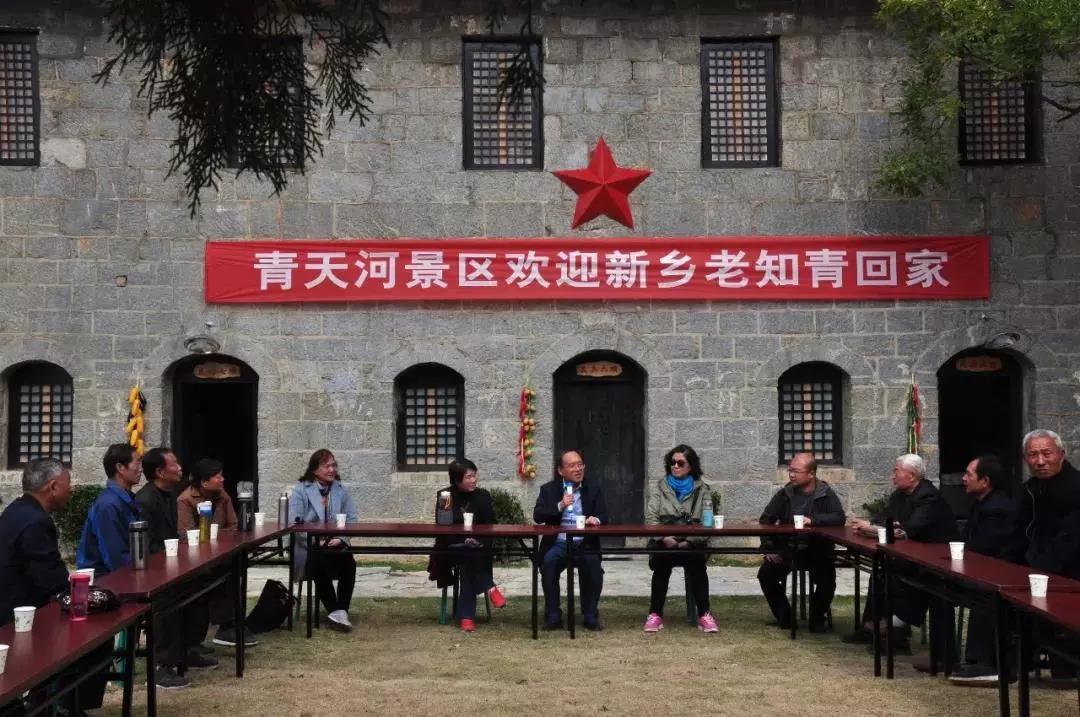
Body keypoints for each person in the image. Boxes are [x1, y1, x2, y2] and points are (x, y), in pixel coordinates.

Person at [0, 458, 109, 713]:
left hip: (15, 608)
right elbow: (51, 580)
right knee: (95, 635)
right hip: (19, 617)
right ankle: (67, 706)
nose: (71, 489)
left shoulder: (15, 511)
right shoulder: (36, 521)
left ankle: (46, 702)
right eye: (68, 483)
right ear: (52, 487)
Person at [849, 453, 957, 651]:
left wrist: (874, 529)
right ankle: (872, 628)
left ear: (912, 475)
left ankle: (895, 632)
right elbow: (884, 519)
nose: (893, 476)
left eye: (896, 471)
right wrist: (873, 525)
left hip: (934, 560)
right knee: (879, 573)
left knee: (898, 578)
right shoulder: (899, 495)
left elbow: (910, 529)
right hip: (909, 555)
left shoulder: (928, 496)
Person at [135, 447, 218, 687]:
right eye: (174, 464)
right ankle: (162, 664)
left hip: (170, 564)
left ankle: (189, 648)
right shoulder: (145, 500)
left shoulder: (169, 494)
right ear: (160, 472)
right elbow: (147, 544)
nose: (180, 468)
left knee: (202, 583)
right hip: (152, 569)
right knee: (167, 600)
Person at [1010, 429, 1080, 679]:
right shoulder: (1030, 489)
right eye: (1033, 455)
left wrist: (1038, 567)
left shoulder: (1075, 487)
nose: (1040, 461)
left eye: (1046, 453)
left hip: (1068, 570)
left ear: (1062, 454)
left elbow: (1070, 538)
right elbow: (1018, 530)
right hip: (1037, 567)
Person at [757, 452, 846, 632]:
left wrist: (813, 520)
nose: (791, 475)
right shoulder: (785, 493)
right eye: (790, 470)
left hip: (817, 549)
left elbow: (839, 517)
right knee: (766, 574)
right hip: (787, 549)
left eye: (796, 471)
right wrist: (769, 548)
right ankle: (785, 617)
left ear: (811, 474)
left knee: (827, 578)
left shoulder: (825, 493)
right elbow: (766, 520)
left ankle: (817, 617)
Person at [950, 455, 1016, 684]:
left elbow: (984, 548)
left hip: (999, 572)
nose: (963, 478)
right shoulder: (981, 503)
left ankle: (984, 663)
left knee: (984, 594)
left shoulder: (997, 508)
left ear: (985, 481)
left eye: (969, 474)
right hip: (980, 569)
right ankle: (947, 657)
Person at [176, 458, 254, 649]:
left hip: (221, 552)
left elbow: (233, 525)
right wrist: (216, 535)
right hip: (196, 557)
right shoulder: (185, 500)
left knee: (234, 569)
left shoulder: (222, 495)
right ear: (204, 482)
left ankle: (231, 624)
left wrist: (216, 535)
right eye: (217, 476)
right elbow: (186, 534)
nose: (222, 479)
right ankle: (225, 626)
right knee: (218, 576)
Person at [643, 445, 718, 634]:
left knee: (697, 566)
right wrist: (665, 537)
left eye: (680, 463)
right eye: (672, 462)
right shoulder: (660, 487)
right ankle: (655, 614)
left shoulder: (702, 490)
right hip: (665, 542)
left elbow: (707, 522)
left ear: (690, 466)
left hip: (691, 543)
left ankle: (704, 614)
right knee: (661, 566)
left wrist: (689, 541)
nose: (675, 466)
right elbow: (651, 519)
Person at [426, 458, 507, 632]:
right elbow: (442, 528)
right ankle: (490, 588)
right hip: (452, 548)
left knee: (469, 559)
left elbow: (490, 525)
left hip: (477, 547)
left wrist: (477, 541)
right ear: (457, 480)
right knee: (467, 556)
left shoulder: (483, 496)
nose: (474, 480)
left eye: (474, 475)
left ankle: (467, 617)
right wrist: (463, 541)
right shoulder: (446, 496)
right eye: (469, 477)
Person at [533, 449, 607, 631]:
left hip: (584, 542)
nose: (578, 469)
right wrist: (560, 505)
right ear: (561, 470)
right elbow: (538, 515)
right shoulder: (549, 489)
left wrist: (596, 520)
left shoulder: (593, 488)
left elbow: (604, 515)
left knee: (593, 568)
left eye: (580, 464)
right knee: (549, 563)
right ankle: (553, 616)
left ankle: (590, 616)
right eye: (572, 465)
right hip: (559, 542)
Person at [290, 449, 359, 633]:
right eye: (326, 466)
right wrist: (315, 542)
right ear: (314, 469)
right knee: (318, 560)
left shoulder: (339, 489)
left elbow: (352, 519)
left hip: (334, 545)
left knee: (349, 562)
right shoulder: (301, 490)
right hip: (309, 546)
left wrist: (340, 538)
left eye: (333, 465)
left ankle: (341, 611)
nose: (331, 469)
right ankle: (335, 611)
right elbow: (294, 524)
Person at [76, 443, 144, 575]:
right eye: (137, 463)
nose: (141, 469)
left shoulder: (127, 499)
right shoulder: (107, 505)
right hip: (105, 579)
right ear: (120, 468)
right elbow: (115, 557)